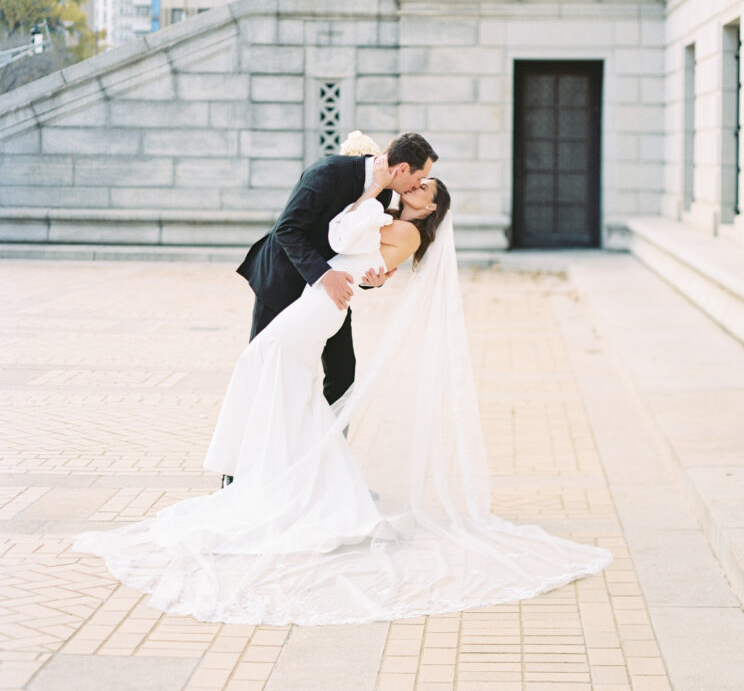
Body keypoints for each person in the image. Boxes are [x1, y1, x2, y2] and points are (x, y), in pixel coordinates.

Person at [73, 150, 613, 626]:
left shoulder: (403, 227)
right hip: (308, 296)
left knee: (278, 370)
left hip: (319, 305)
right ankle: (272, 472)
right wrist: (371, 213)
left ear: (430, 209)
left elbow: (348, 243)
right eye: (418, 181)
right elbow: (337, 245)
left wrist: (373, 211)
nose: (415, 190)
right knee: (282, 376)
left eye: (424, 191)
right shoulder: (369, 202)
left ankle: (282, 477)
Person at [225, 132, 437, 486]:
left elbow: (359, 251)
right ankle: (235, 473)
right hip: (283, 279)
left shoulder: (384, 192)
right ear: (401, 168)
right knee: (263, 369)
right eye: (418, 177)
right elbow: (288, 231)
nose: (418, 184)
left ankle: (328, 475)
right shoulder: (327, 173)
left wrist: (375, 279)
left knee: (342, 373)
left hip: (328, 294)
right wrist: (325, 276)